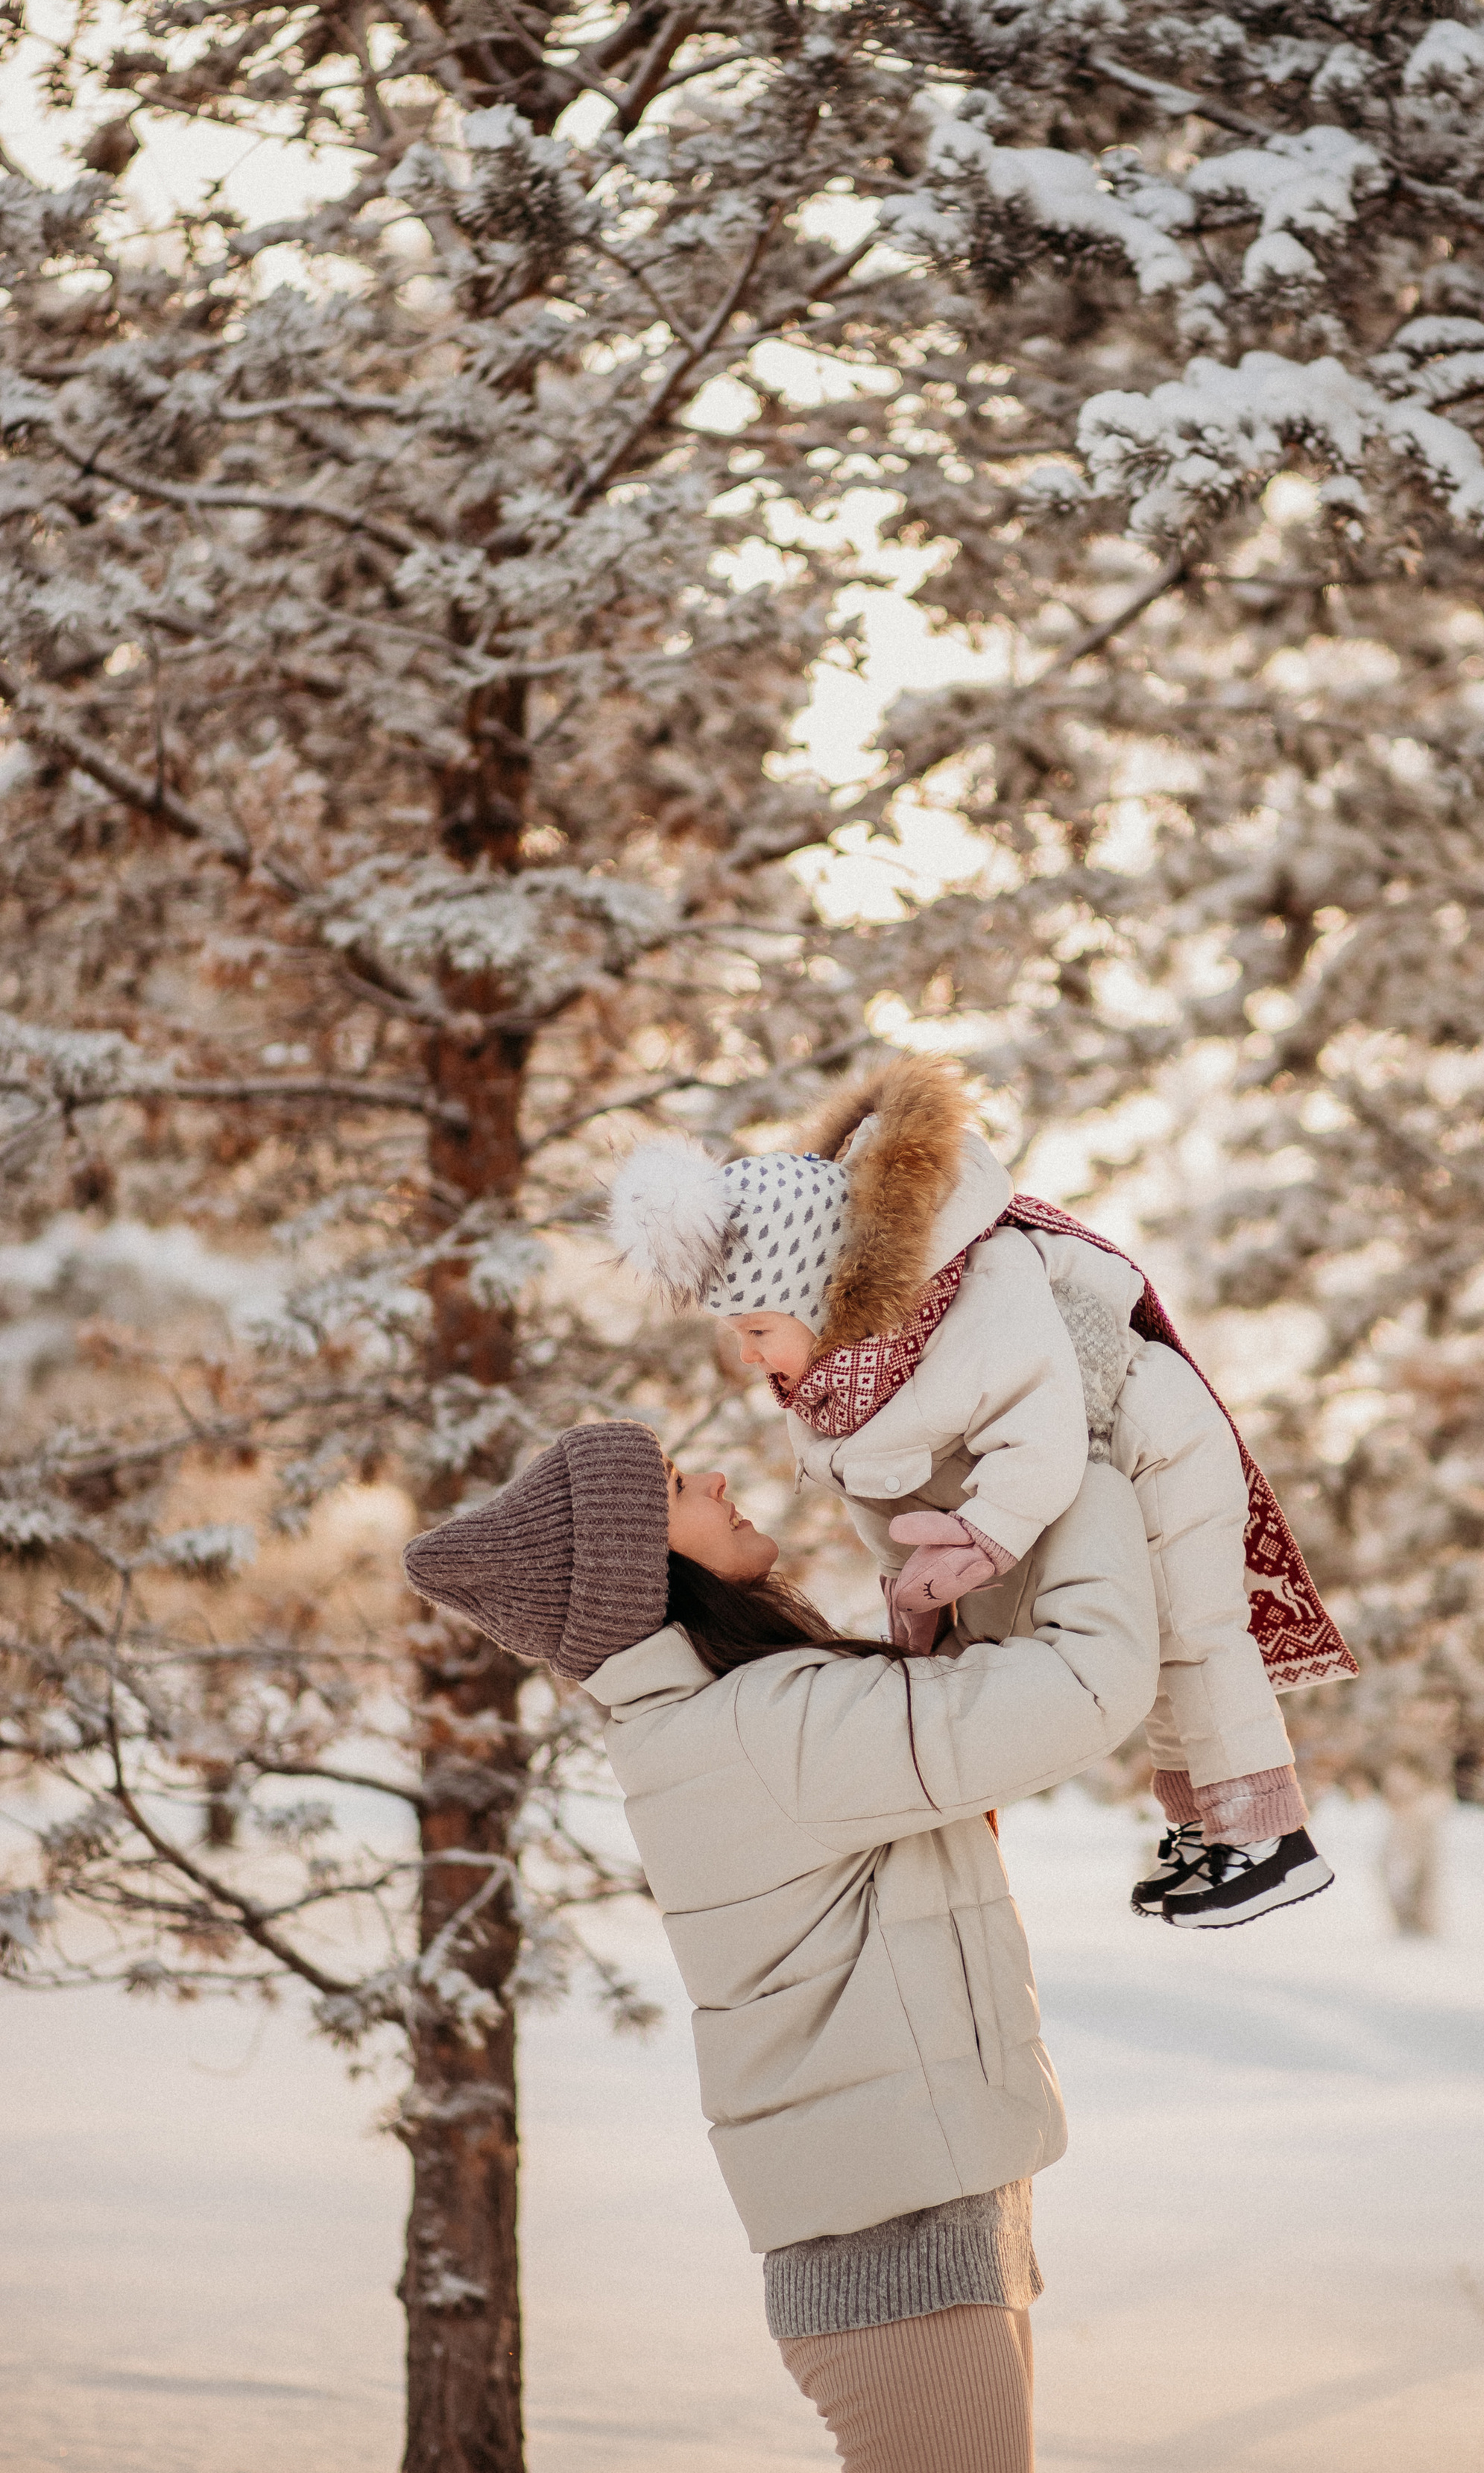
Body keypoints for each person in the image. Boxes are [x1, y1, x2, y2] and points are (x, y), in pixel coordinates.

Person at [402, 1415, 1157, 2473]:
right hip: (896, 2238)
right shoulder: (762, 1727)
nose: (714, 1479)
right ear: (640, 1567)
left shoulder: (716, 1724)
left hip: (916, 2218)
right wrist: (1087, 1465)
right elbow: (1089, 1686)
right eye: (675, 1486)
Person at [609, 1053, 1354, 1928]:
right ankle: (1203, 1823)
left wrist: (989, 1541)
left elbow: (1038, 1436)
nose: (748, 1356)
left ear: (818, 1297)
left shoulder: (978, 1304)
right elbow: (883, 1497)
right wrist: (913, 1589)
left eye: (758, 1330)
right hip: (1087, 1467)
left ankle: (1267, 1833)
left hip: (1152, 1437)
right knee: (1154, 1652)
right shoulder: (833, 1395)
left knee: (1193, 1629)